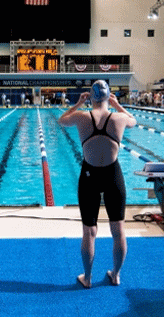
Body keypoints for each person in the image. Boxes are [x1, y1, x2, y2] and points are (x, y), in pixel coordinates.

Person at [58, 80, 137, 288]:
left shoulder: (82, 117)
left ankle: (88, 277)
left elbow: (61, 119)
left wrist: (77, 103)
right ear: (109, 95)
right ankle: (116, 274)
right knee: (118, 230)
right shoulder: (119, 118)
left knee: (89, 232)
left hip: (89, 176)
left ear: (91, 97)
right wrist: (117, 105)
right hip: (113, 176)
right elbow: (134, 120)